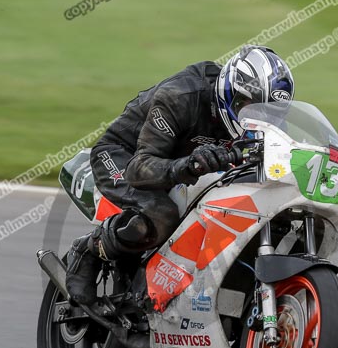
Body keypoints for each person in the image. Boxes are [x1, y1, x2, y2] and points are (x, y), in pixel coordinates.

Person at [66, 45, 295, 306]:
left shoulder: (267, 123)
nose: (255, 118)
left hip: (183, 168)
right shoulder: (181, 96)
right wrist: (188, 165)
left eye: (270, 112)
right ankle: (88, 251)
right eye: (247, 106)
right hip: (124, 156)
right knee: (161, 214)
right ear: (229, 91)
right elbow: (139, 167)